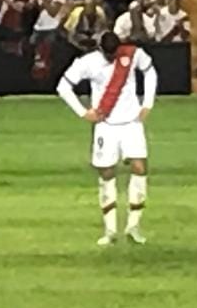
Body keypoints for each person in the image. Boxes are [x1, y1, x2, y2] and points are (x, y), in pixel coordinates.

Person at [56, 30, 158, 246]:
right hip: (106, 125)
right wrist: (83, 112)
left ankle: (134, 226)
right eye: (108, 55)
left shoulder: (132, 54)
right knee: (107, 172)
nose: (112, 58)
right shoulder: (88, 62)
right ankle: (110, 229)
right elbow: (63, 86)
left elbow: (150, 71)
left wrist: (147, 102)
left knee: (140, 168)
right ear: (100, 49)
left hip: (131, 122)